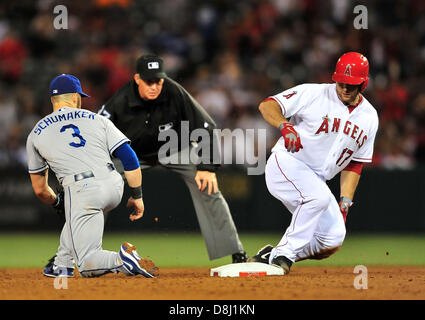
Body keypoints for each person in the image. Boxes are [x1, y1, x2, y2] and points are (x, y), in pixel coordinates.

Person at [97, 54, 247, 263]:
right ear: (137, 79)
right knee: (96, 189)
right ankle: (76, 251)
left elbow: (205, 126)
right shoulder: (120, 101)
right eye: (149, 81)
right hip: (134, 154)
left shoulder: (174, 91)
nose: (154, 86)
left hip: (175, 149)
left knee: (208, 185)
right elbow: (96, 133)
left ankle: (236, 252)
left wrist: (207, 167)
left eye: (158, 80)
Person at [249, 52, 379, 274]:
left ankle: (271, 255)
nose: (345, 88)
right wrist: (284, 126)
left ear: (364, 83)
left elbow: (355, 164)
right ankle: (284, 256)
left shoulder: (369, 117)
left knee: (333, 238)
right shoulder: (313, 93)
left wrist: (345, 201)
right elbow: (267, 105)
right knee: (316, 198)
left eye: (352, 84)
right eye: (341, 82)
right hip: (287, 162)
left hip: (316, 179)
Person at [27, 74, 159, 278]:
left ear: (53, 99)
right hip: (114, 184)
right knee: (74, 214)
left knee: (88, 265)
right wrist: (137, 196)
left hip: (83, 191)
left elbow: (40, 189)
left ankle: (122, 259)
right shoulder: (97, 119)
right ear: (75, 97)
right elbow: (129, 157)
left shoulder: (36, 133)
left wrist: (56, 202)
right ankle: (62, 265)